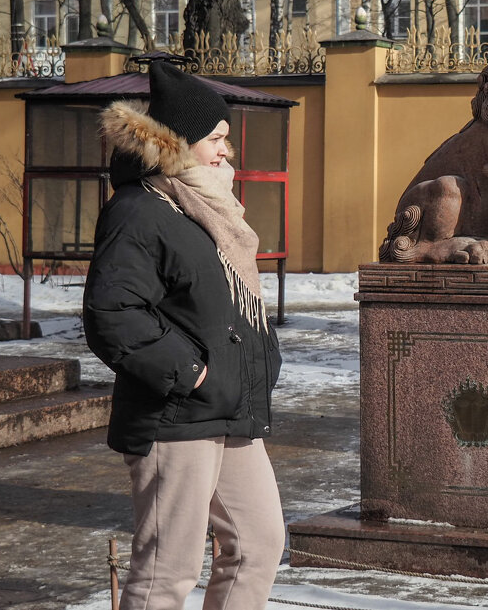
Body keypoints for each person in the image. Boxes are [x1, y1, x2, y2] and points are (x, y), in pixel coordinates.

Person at [83, 60, 284, 610]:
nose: (226, 151)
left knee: (258, 545)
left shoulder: (204, 208)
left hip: (231, 410)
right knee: (166, 571)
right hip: (176, 415)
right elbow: (114, 312)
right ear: (181, 142)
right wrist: (194, 374)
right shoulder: (140, 208)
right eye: (216, 139)